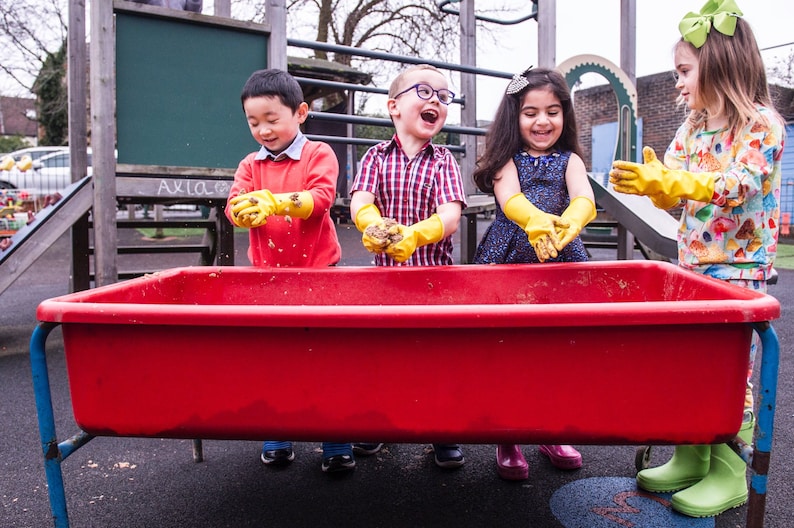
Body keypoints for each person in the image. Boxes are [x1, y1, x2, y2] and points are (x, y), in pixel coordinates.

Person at [609, 0, 785, 517]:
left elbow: (737, 185)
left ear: (722, 65)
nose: (678, 83)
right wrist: (658, 189)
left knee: (730, 371)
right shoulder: (690, 129)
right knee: (691, 365)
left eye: (685, 71)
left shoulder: (762, 125)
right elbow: (677, 188)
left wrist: (675, 182)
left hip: (740, 268)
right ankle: (691, 454)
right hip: (693, 264)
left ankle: (730, 469)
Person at [225, 68, 354, 474]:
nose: (263, 129)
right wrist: (242, 213)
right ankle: (277, 430)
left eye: (271, 119)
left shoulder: (318, 154)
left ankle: (335, 439)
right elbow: (234, 204)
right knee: (275, 356)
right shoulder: (250, 164)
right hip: (269, 278)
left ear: (300, 113)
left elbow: (320, 198)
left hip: (319, 274)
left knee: (326, 358)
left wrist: (276, 203)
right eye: (253, 122)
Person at [471, 66, 596, 481]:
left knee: (556, 350)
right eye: (530, 112)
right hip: (511, 258)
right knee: (511, 348)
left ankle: (551, 429)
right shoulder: (508, 159)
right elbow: (510, 200)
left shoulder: (570, 159)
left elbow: (584, 198)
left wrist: (569, 224)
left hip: (559, 260)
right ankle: (509, 434)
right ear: (515, 116)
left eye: (553, 111)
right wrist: (538, 219)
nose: (542, 121)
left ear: (565, 115)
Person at [348, 64, 468, 469]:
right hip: (385, 282)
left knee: (434, 358)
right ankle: (381, 423)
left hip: (434, 280)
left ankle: (441, 430)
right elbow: (361, 201)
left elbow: (450, 214)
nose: (436, 99)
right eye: (425, 91)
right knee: (383, 356)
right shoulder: (376, 157)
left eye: (444, 95)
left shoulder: (443, 160)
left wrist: (415, 235)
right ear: (394, 107)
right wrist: (372, 223)